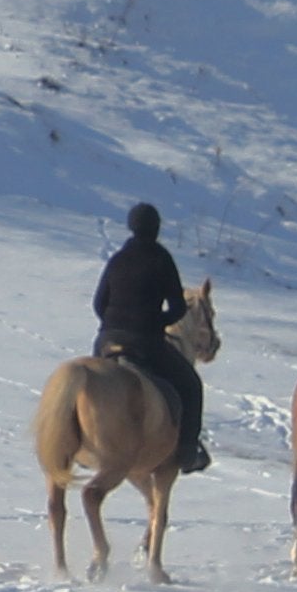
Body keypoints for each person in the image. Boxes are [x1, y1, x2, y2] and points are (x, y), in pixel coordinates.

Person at [91, 201, 212, 476]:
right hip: (145, 342)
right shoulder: (161, 258)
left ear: (131, 228)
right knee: (191, 386)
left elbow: (99, 303)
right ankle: (187, 452)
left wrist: (113, 324)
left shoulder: (117, 259)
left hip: (107, 339)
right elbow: (179, 308)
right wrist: (158, 322)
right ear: (156, 229)